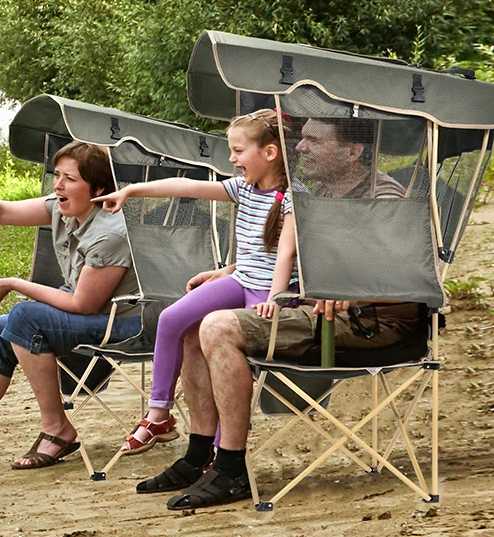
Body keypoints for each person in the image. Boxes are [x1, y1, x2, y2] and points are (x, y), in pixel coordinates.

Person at [136, 117, 416, 511]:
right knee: (192, 326)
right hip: (315, 309)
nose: (298, 149)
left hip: (369, 323)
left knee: (218, 326)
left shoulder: (382, 197)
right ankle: (200, 455)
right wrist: (232, 270)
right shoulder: (315, 192)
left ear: (353, 151)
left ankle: (231, 466)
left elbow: (404, 268)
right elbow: (286, 251)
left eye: (313, 141)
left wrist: (351, 293)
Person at [0, 141, 141, 471]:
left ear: (98, 188)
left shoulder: (109, 232)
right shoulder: (64, 209)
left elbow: (82, 304)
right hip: (93, 314)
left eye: (70, 179)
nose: (58, 185)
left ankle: (57, 429)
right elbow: (3, 211)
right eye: (57, 175)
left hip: (127, 322)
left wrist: (14, 284)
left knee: (24, 316)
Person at [91, 109, 298, 457]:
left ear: (270, 153)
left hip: (267, 292)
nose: (231, 160)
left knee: (232, 358)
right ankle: (158, 413)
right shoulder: (242, 189)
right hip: (242, 281)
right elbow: (186, 186)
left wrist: (276, 299)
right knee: (172, 319)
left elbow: (286, 256)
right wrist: (133, 191)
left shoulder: (293, 196)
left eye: (237, 151)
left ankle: (221, 449)